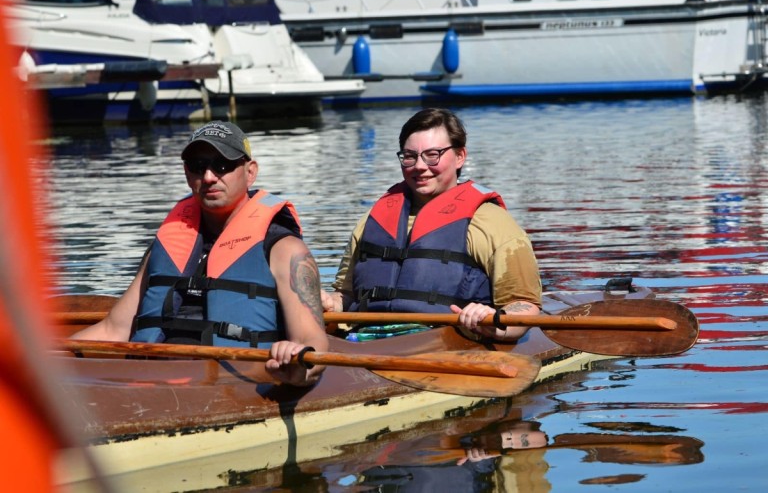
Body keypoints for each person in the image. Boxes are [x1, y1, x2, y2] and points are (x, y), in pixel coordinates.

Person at [72, 121, 328, 386]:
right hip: (149, 381)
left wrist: (300, 365)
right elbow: (114, 329)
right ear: (186, 173)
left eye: (222, 165)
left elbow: (312, 340)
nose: (208, 177)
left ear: (250, 172)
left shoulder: (284, 249)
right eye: (198, 166)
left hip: (234, 385)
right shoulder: (167, 244)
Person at [321, 108, 541, 340]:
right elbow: (345, 297)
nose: (419, 165)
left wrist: (492, 319)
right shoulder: (371, 220)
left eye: (432, 154)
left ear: (460, 156)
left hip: (444, 343)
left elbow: (524, 304)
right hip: (364, 340)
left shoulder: (491, 223)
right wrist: (328, 303)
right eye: (409, 156)